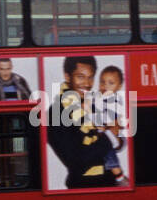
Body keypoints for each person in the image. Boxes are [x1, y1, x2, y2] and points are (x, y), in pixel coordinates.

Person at [45, 56, 117, 188]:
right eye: (80, 77)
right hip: (83, 187)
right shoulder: (55, 112)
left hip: (109, 183)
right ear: (67, 76)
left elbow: (114, 139)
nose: (87, 84)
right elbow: (75, 161)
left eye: (91, 77)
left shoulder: (91, 104)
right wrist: (105, 144)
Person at [90, 65, 128, 185]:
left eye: (110, 83)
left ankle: (117, 172)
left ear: (119, 86)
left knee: (104, 143)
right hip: (106, 133)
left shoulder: (115, 101)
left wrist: (104, 126)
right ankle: (107, 167)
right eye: (102, 82)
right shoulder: (98, 98)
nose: (105, 86)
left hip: (116, 137)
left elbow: (114, 119)